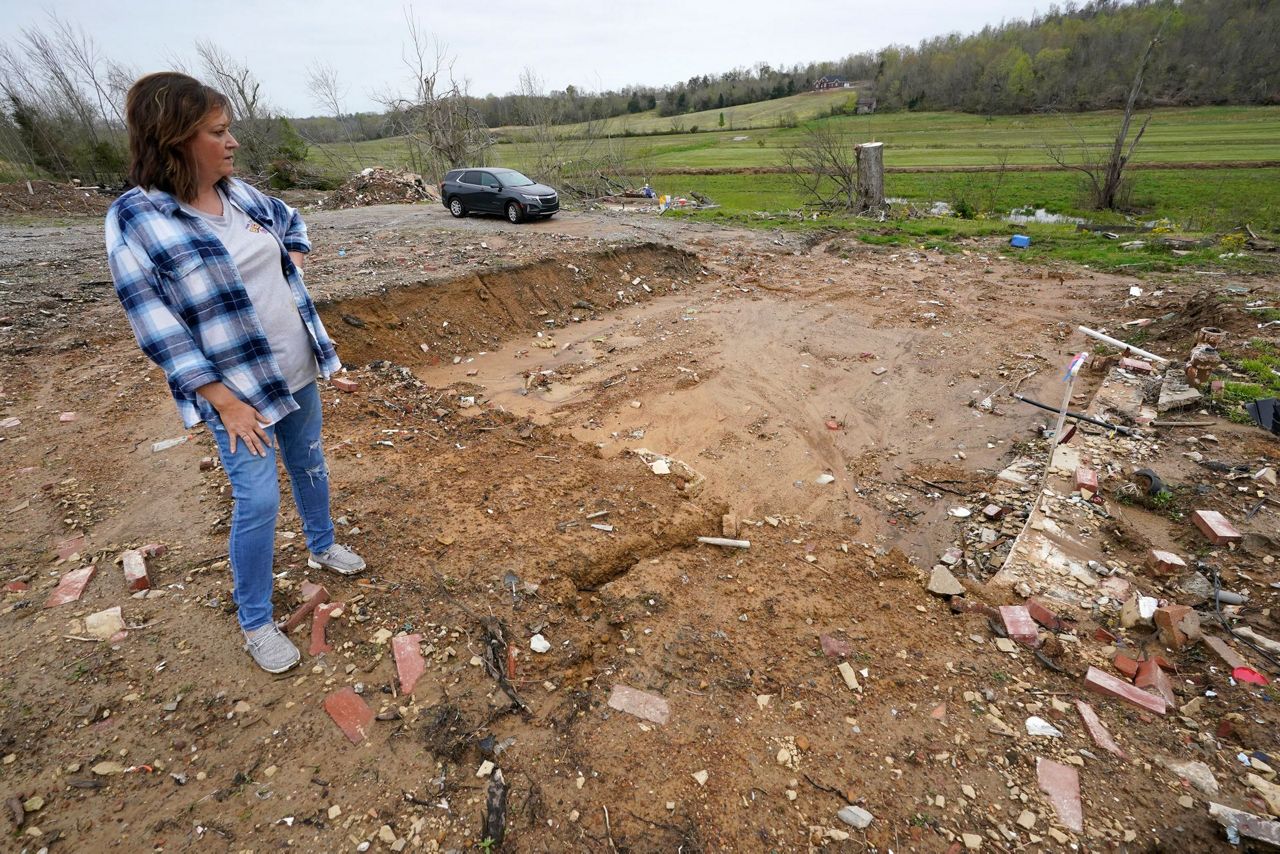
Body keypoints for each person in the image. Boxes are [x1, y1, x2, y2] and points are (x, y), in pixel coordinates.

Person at [106, 72, 365, 674]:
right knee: (257, 500)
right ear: (175, 139)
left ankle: (322, 545)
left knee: (310, 461)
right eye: (218, 132)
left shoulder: (241, 195)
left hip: (295, 366)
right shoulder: (137, 219)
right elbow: (156, 325)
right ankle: (255, 619)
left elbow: (291, 222)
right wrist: (221, 400)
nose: (233, 143)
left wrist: (290, 260)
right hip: (237, 393)